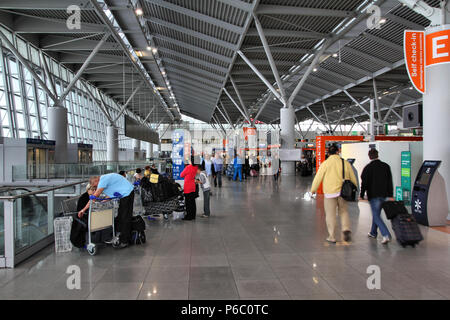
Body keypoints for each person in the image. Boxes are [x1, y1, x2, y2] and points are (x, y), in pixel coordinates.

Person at [311, 144, 357, 243]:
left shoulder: (326, 163)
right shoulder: (345, 163)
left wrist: (313, 189)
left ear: (328, 153)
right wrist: (355, 188)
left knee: (330, 214)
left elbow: (318, 177)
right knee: (344, 211)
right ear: (338, 152)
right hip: (343, 192)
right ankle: (345, 229)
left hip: (330, 192)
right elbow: (353, 177)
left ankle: (332, 236)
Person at [79, 173, 134, 248]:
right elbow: (109, 196)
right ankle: (121, 237)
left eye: (94, 186)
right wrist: (101, 202)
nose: (95, 188)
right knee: (121, 216)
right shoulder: (105, 179)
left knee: (125, 217)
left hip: (127, 194)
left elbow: (94, 197)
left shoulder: (102, 180)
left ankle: (125, 241)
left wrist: (84, 209)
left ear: (96, 180)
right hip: (126, 194)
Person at [360, 148, 393, 244]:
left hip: (374, 196)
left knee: (376, 215)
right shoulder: (386, 166)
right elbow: (390, 181)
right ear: (378, 155)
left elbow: (364, 183)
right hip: (385, 195)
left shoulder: (367, 168)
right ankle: (373, 232)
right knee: (376, 214)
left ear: (369, 156)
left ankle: (386, 234)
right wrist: (390, 195)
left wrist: (362, 195)